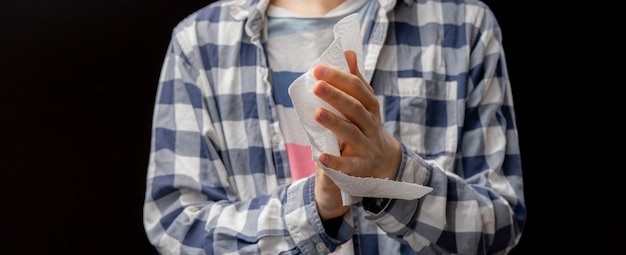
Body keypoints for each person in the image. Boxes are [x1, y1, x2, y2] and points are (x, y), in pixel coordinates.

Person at [143, 0, 526, 254]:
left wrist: (392, 170)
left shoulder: (463, 24)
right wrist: (315, 206)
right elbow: (176, 226)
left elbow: (501, 224)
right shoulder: (200, 43)